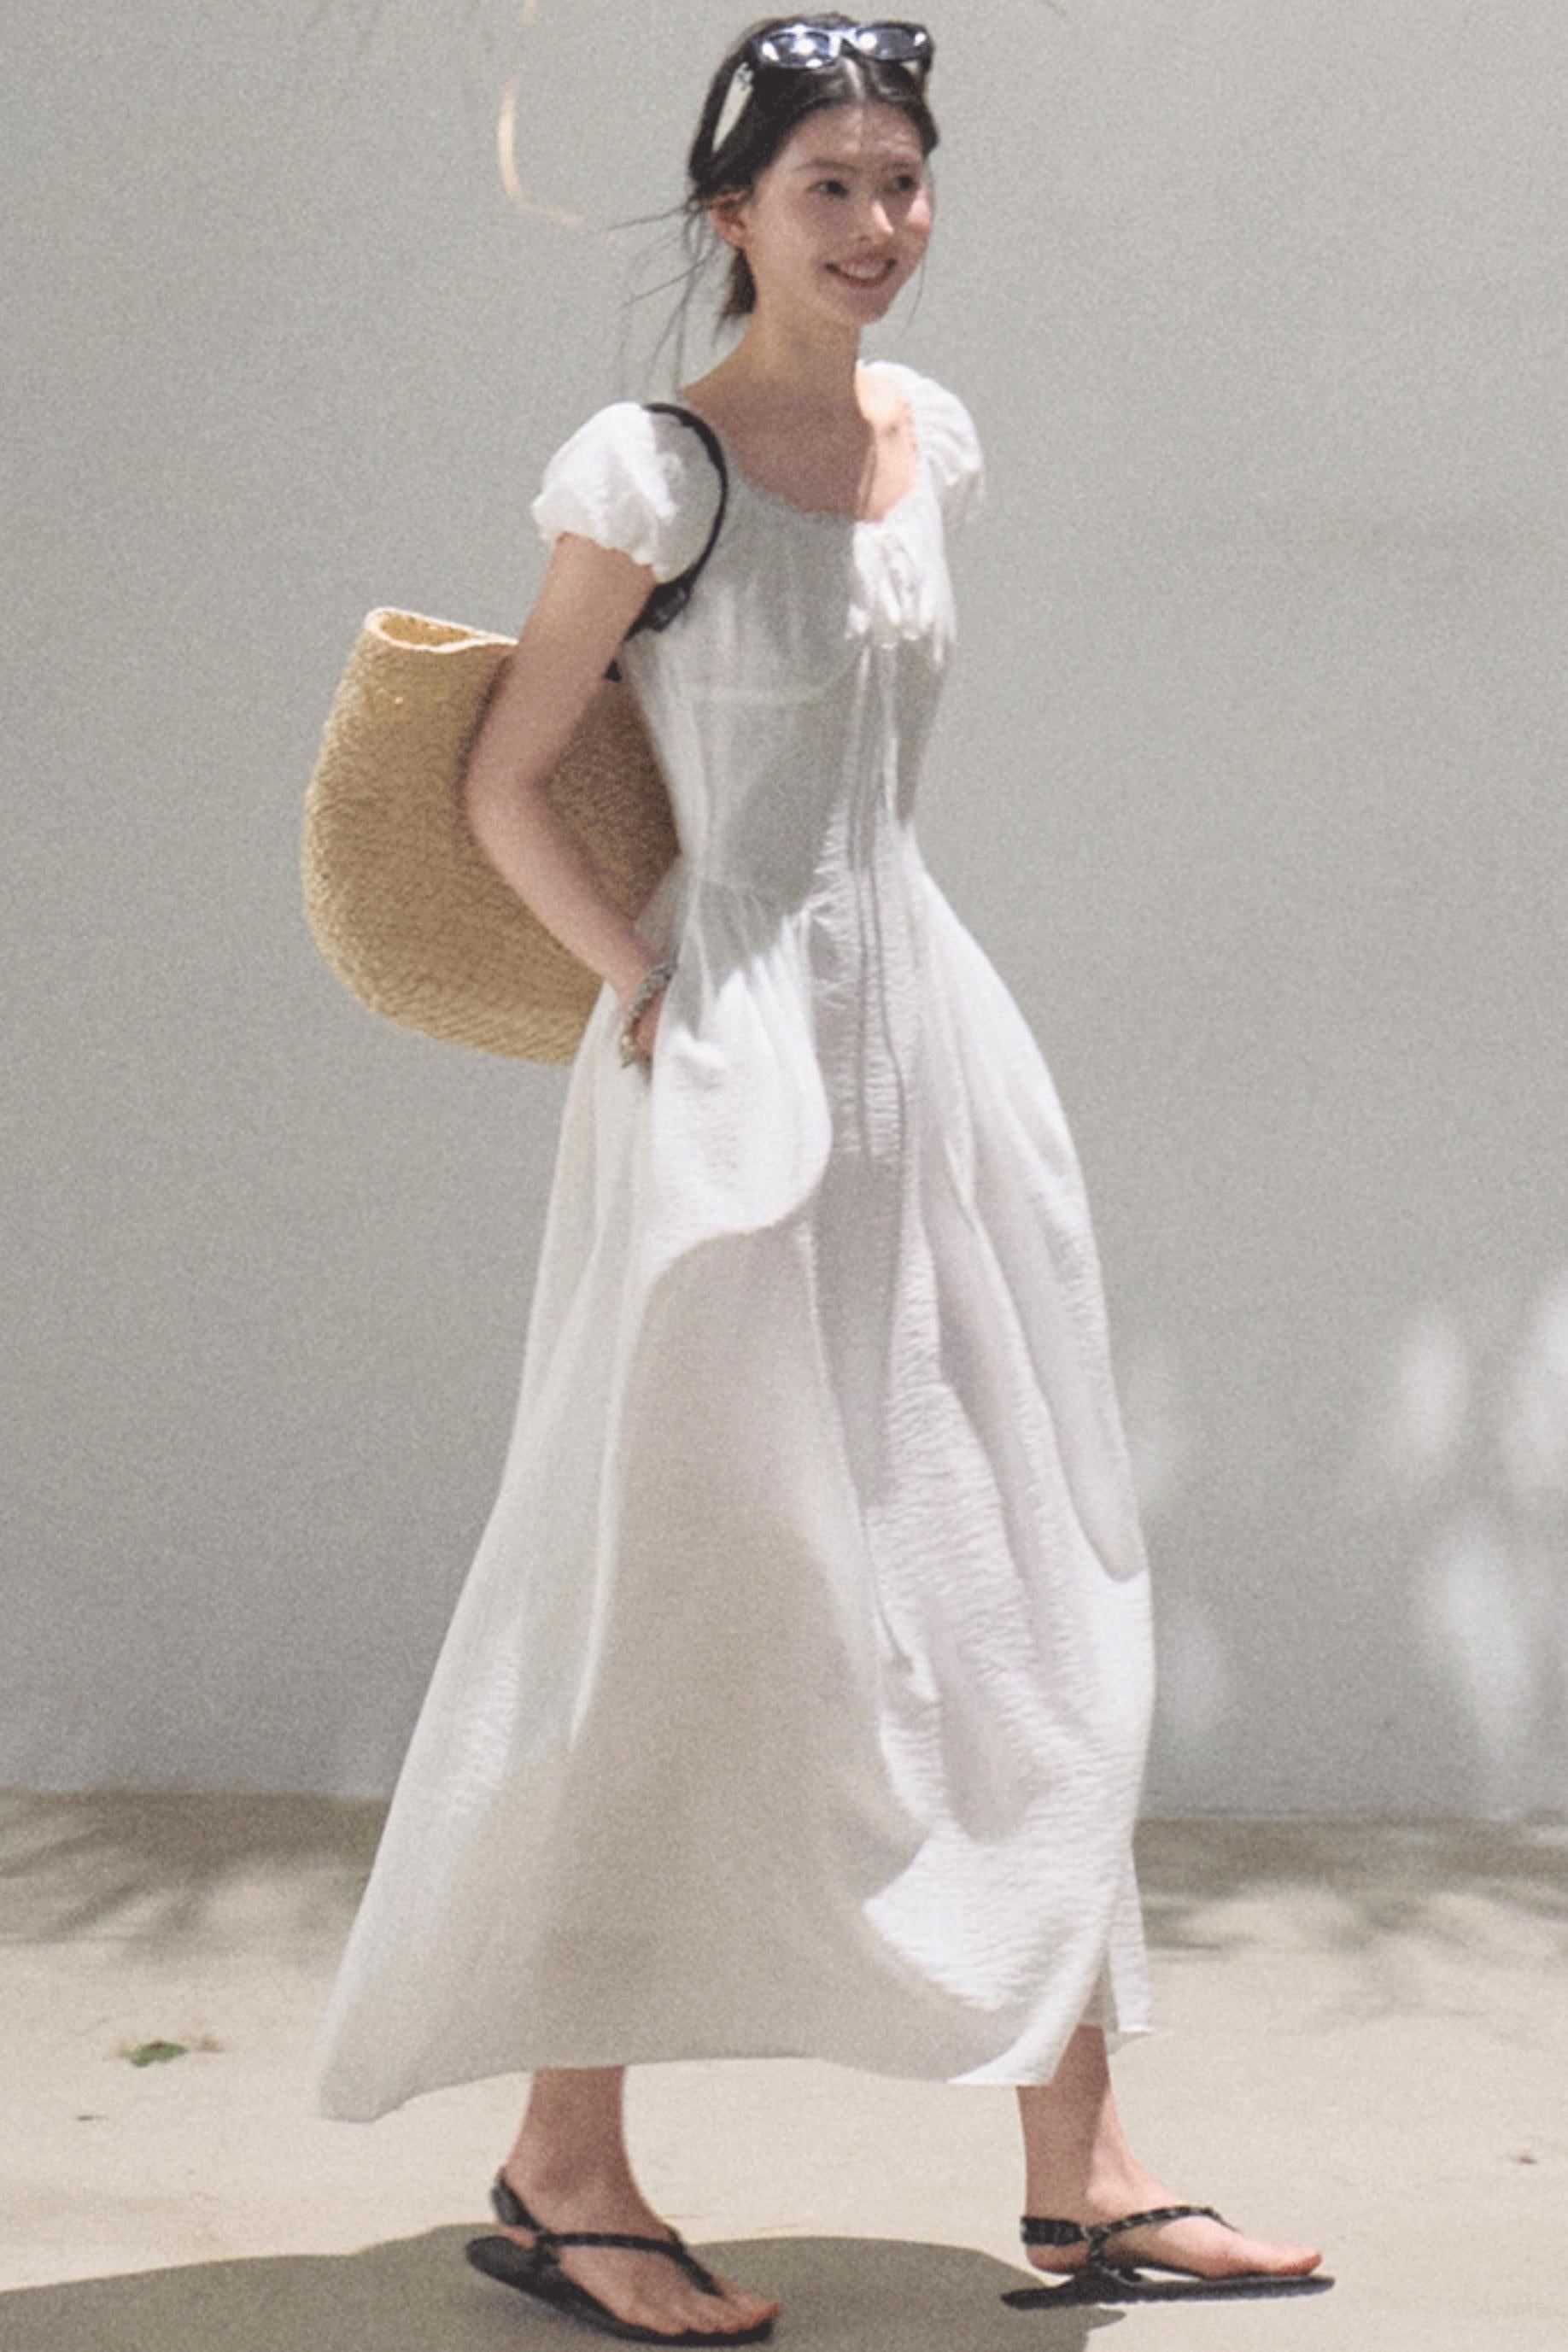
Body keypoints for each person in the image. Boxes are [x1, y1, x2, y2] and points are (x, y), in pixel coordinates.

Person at [312, 15, 1326, 2340]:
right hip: (733, 1067)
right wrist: (640, 981)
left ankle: (1090, 2172)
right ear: (732, 217)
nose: (877, 227)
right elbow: (502, 772)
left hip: (929, 1049)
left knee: (1031, 1593)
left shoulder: (925, 436)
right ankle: (566, 2161)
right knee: (677, 1601)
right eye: (828, 189)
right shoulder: (649, 473)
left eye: (902, 180)